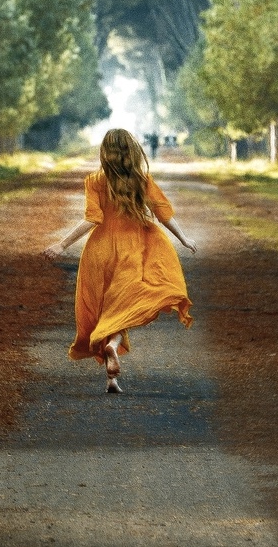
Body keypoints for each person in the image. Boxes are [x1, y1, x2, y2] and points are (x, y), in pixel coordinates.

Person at [48, 128, 194, 393]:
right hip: (135, 248)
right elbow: (162, 214)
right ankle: (113, 345)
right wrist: (183, 238)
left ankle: (111, 379)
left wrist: (62, 243)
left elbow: (92, 218)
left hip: (100, 251)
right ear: (132, 150)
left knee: (106, 308)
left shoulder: (94, 181)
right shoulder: (141, 179)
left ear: (105, 153)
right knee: (123, 305)